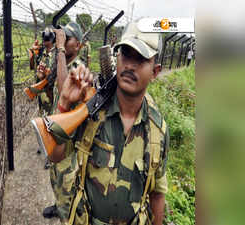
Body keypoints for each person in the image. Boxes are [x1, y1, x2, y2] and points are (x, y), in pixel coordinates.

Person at [47, 22, 169, 225]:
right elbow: (56, 155)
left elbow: (157, 194)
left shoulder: (158, 131)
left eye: (140, 59)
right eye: (126, 54)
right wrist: (64, 103)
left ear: (155, 71)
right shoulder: (91, 108)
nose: (130, 65)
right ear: (117, 58)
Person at [42, 21, 85, 219]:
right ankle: (58, 205)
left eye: (68, 39)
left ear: (78, 46)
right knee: (54, 175)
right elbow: (52, 92)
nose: (63, 41)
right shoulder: (63, 64)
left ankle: (66, 213)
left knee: (66, 180)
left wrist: (59, 49)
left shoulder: (78, 68)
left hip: (69, 142)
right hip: (57, 133)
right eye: (62, 37)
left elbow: (64, 90)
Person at [28, 27, 56, 166]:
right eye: (44, 41)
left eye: (47, 41)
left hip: (51, 94)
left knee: (50, 124)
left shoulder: (57, 56)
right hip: (41, 94)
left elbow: (57, 76)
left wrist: (48, 74)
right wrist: (32, 54)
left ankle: (50, 157)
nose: (45, 43)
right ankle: (43, 146)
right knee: (42, 121)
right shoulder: (41, 53)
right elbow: (32, 67)